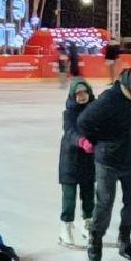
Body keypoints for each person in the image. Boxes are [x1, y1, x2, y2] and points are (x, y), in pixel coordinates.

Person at [77, 57, 131, 261]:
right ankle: (95, 239)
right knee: (105, 202)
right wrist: (104, 142)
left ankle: (125, 238)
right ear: (130, 86)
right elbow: (84, 122)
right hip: (108, 160)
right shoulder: (110, 99)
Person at [58, 79, 96, 246]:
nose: (81, 96)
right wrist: (81, 141)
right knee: (69, 197)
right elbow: (70, 132)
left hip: (89, 161)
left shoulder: (95, 111)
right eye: (78, 94)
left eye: (84, 93)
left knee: (88, 195)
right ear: (73, 96)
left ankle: (87, 223)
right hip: (70, 160)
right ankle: (65, 227)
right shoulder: (69, 114)